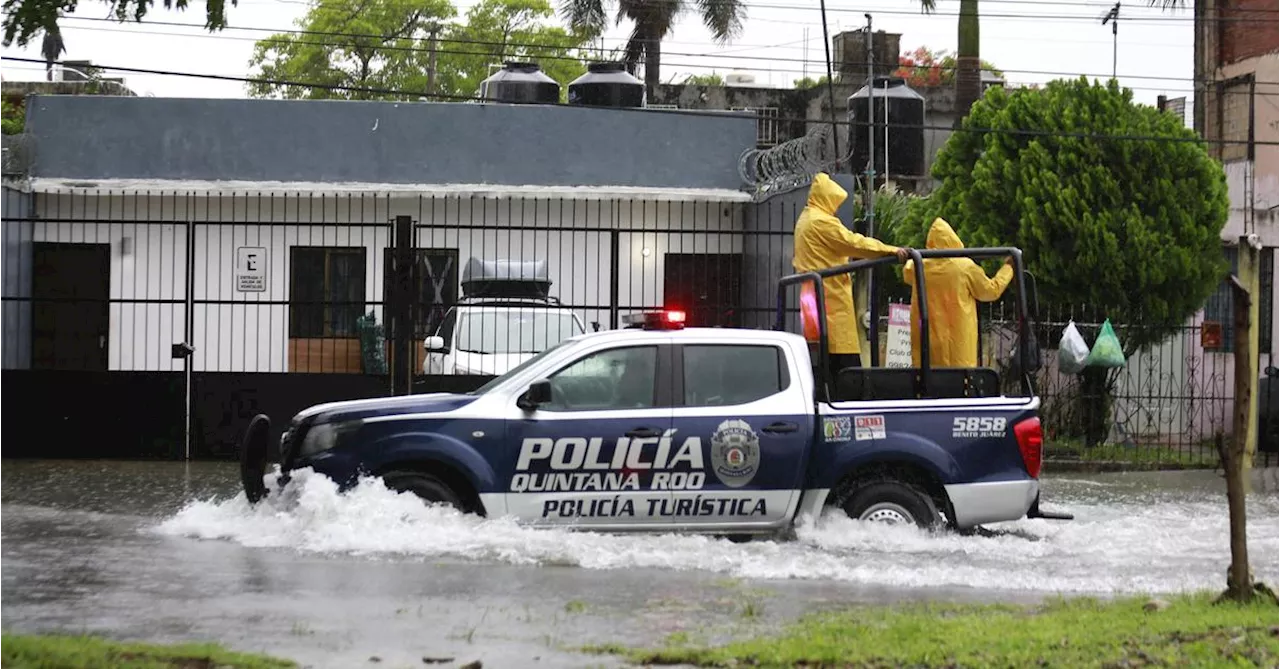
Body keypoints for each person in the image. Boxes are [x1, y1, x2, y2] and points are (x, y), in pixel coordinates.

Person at [792, 172, 909, 385]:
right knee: (844, 362)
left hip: (815, 298)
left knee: (823, 361)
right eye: (834, 202)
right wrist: (890, 251)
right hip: (831, 298)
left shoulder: (806, 220)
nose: (836, 208)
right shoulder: (822, 222)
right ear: (826, 199)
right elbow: (854, 243)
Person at [901, 217, 1014, 369]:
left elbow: (907, 271)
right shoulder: (964, 267)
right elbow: (991, 291)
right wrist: (1008, 268)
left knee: (928, 387)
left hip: (928, 348)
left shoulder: (917, 267)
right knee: (960, 386)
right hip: (959, 350)